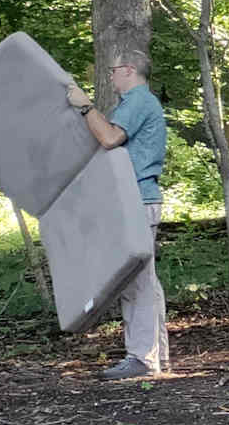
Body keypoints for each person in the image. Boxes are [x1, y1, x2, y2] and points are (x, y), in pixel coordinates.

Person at [66, 49, 169, 378]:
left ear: (128, 70)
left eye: (112, 71)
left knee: (135, 281)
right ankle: (157, 355)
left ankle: (142, 359)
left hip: (137, 199)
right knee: (147, 282)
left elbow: (110, 138)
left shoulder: (138, 101)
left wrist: (85, 107)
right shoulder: (135, 103)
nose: (109, 77)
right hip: (138, 198)